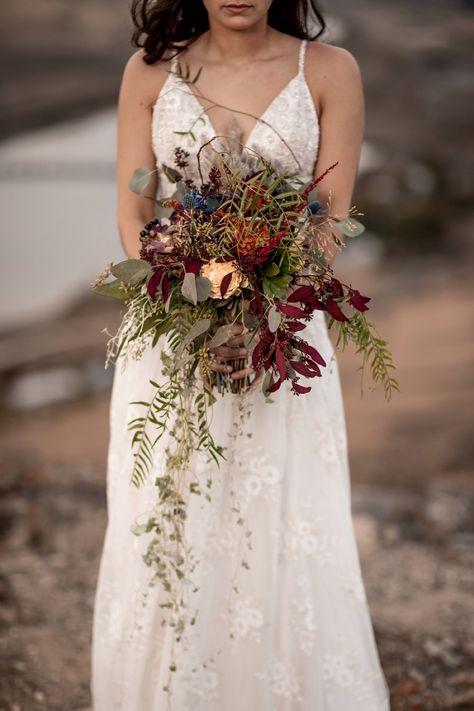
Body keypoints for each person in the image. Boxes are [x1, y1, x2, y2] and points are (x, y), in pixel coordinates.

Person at [90, 1, 391, 709]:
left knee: (282, 527)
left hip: (281, 333)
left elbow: (329, 216)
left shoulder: (330, 70)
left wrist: (258, 310)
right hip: (171, 330)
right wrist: (193, 292)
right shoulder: (148, 71)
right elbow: (135, 211)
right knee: (167, 526)